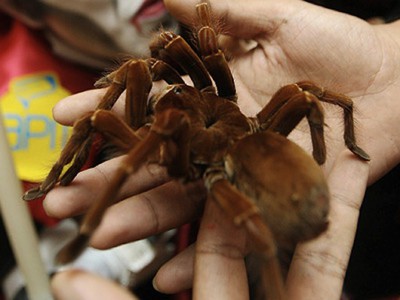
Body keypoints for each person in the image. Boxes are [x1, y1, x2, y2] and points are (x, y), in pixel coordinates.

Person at [43, 0, 400, 299]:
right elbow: (178, 45)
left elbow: (132, 119)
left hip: (346, 232)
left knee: (94, 120)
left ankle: (63, 195)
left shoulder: (166, 128)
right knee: (304, 94)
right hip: (269, 145)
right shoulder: (228, 94)